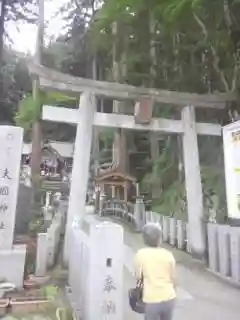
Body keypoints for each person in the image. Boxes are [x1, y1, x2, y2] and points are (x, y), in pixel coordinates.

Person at [134, 223, 176, 320]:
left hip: (151, 299)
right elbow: (173, 278)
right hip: (169, 296)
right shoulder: (168, 254)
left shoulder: (141, 254)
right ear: (160, 238)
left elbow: (138, 276)